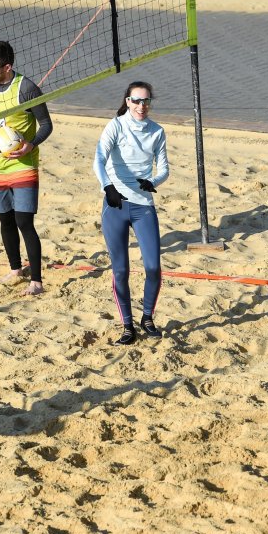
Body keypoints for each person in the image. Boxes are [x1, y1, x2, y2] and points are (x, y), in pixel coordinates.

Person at [0, 40, 53, 296]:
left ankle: (36, 281)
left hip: (23, 165)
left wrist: (31, 145)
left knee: (24, 221)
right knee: (5, 220)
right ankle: (16, 269)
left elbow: (46, 125)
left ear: (7, 66)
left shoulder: (27, 88)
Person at [93, 81, 169, 346]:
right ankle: (127, 326)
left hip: (143, 206)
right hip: (115, 206)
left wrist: (154, 182)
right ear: (127, 101)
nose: (141, 106)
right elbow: (98, 160)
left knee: (153, 267)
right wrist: (108, 187)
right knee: (121, 271)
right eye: (136, 101)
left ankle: (147, 318)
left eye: (146, 101)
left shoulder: (157, 131)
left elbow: (164, 169)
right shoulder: (115, 125)